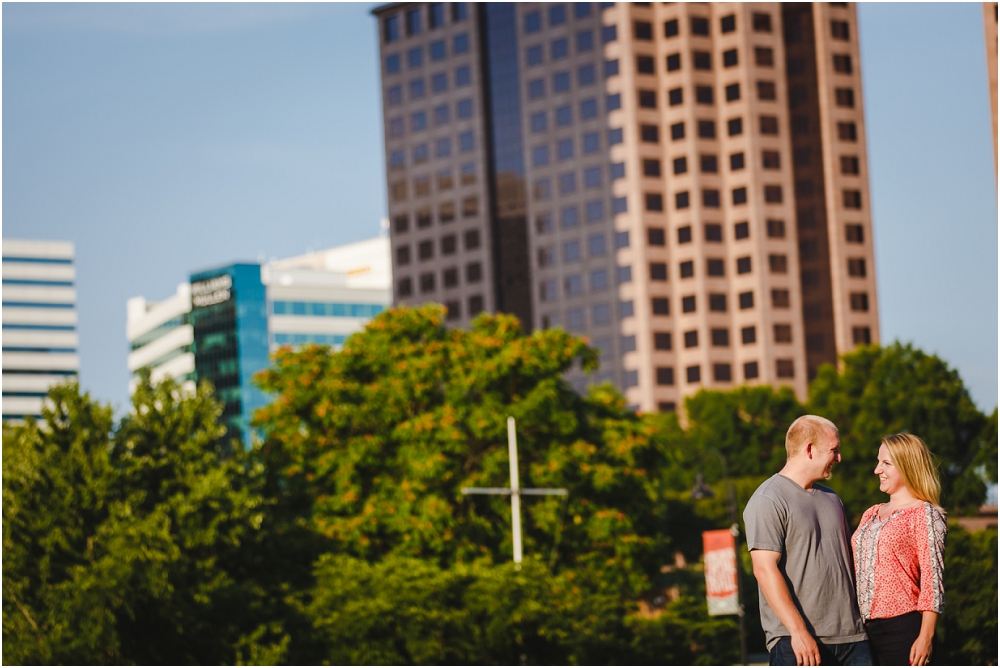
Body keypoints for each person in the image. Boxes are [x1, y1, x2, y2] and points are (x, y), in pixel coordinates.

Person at [744, 415, 871, 666]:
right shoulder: (768, 499)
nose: (839, 458)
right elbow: (764, 569)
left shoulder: (833, 499)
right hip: (798, 643)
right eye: (834, 450)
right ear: (809, 450)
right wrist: (798, 631)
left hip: (854, 639)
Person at [851, 434, 947, 666]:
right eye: (878, 462)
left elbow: (933, 582)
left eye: (886, 463)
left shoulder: (925, 514)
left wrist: (925, 637)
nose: (876, 470)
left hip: (903, 629)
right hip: (863, 632)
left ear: (907, 466)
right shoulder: (870, 513)